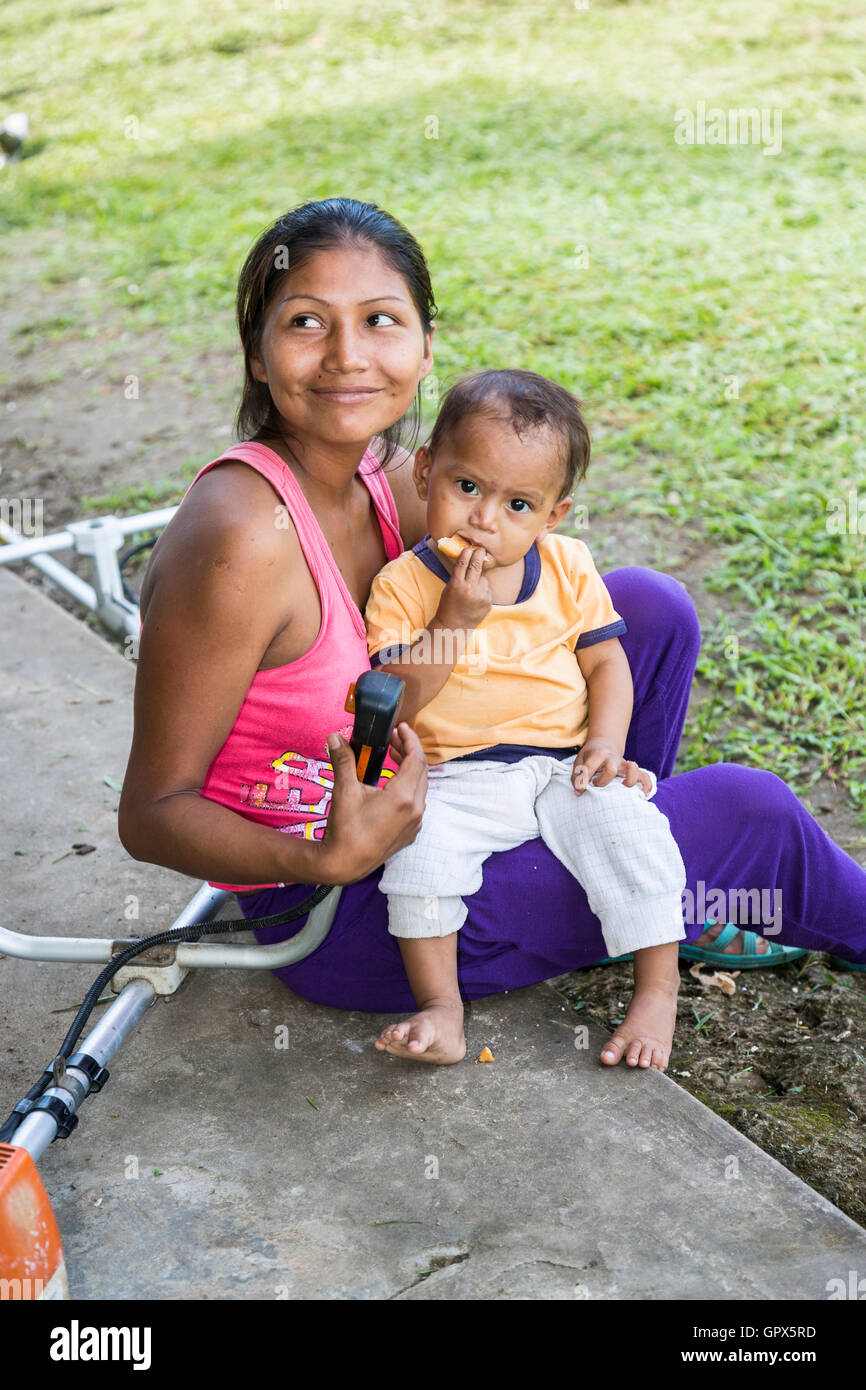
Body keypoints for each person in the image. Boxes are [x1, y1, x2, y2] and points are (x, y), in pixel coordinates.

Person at [118, 197, 866, 1073]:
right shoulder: (240, 537)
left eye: (381, 321)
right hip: (348, 904)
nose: (348, 356)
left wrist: (596, 746)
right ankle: (671, 893)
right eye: (306, 323)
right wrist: (324, 854)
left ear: (425, 348)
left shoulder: (392, 472)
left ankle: (628, 872)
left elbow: (539, 588)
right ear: (256, 351)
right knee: (751, 813)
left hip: (472, 789)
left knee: (648, 610)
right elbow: (150, 814)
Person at [367, 368, 688, 1068]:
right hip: (456, 774)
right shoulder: (402, 585)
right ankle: (442, 1007)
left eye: (518, 504)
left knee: (631, 831)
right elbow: (395, 700)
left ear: (552, 516)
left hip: (560, 763)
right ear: (425, 473)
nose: (486, 518)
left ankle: (658, 991)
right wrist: (453, 620)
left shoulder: (568, 566)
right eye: (468, 487)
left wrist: (606, 742)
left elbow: (607, 665)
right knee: (417, 857)